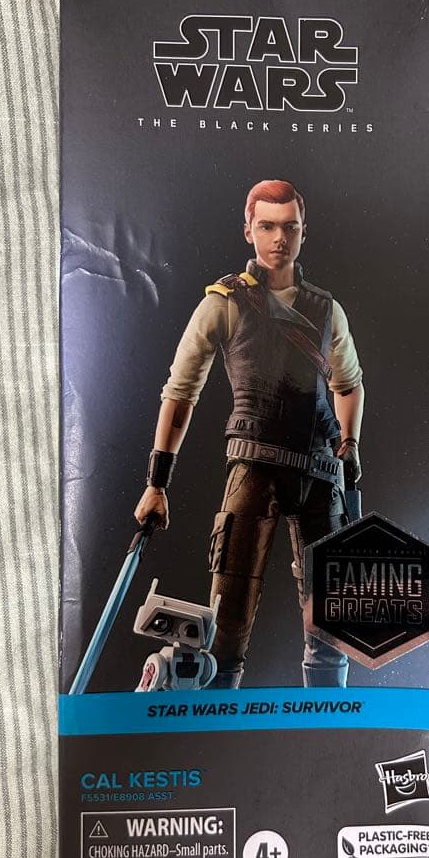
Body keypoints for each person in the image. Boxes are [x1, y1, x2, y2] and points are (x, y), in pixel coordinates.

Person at [134, 179, 365, 688]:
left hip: (320, 470)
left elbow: (348, 384)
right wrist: (157, 482)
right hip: (254, 466)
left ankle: (326, 725)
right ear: (249, 231)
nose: (279, 238)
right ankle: (221, 722)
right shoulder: (225, 303)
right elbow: (180, 392)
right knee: (226, 623)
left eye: (290, 227)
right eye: (267, 226)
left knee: (330, 627)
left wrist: (349, 444)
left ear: (303, 232)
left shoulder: (327, 310)